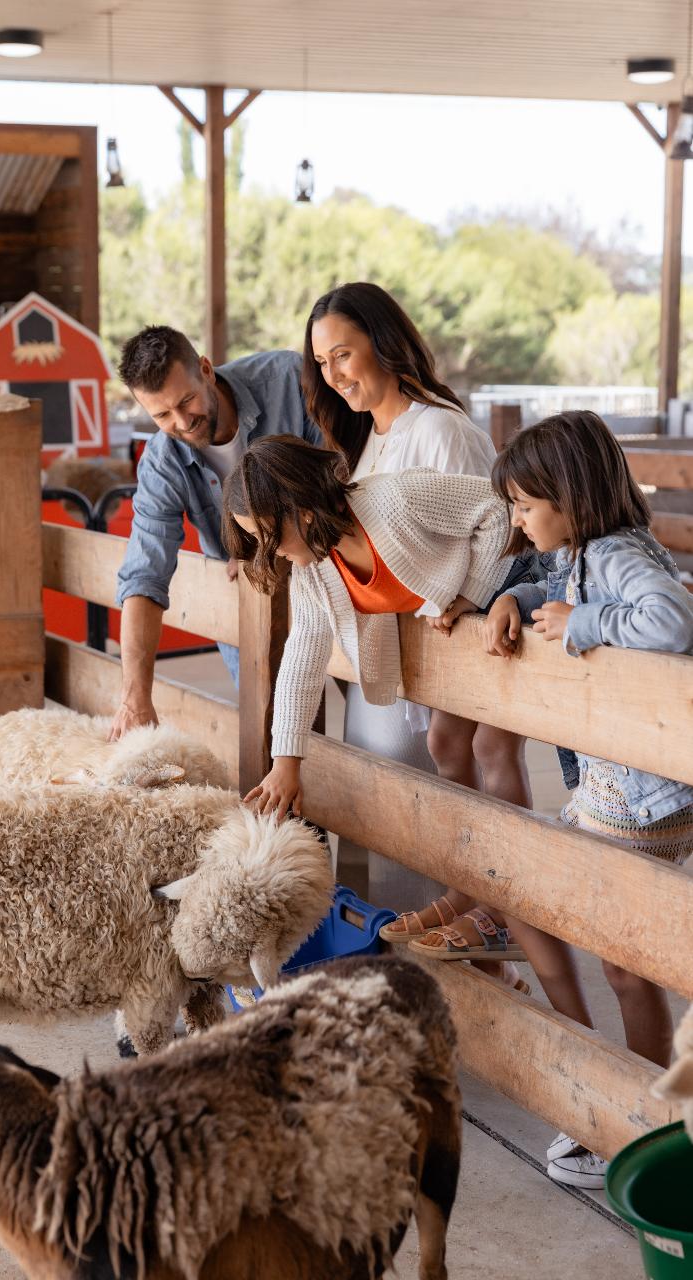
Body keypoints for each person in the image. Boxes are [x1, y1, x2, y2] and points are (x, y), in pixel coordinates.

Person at [479, 409, 693, 1188]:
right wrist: (521, 597)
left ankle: (636, 1123)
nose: (517, 519)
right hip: (611, 787)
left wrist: (582, 622)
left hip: (642, 797)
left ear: (570, 499)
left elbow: (671, 618)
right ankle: (608, 1093)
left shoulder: (620, 551)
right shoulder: (583, 553)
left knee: (629, 966)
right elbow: (562, 585)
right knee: (531, 897)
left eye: (526, 506)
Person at [302, 282, 533, 949]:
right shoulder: (361, 443)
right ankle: (439, 975)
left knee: (438, 819)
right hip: (390, 662)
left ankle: (490, 952)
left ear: (385, 341)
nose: (334, 374)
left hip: (445, 662)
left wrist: (468, 598)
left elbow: (495, 529)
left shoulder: (442, 430)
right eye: (322, 363)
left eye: (343, 354)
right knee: (393, 827)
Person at [109, 326, 319, 741]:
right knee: (275, 729)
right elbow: (144, 575)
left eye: (186, 400)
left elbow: (342, 475)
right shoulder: (161, 461)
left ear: (205, 369)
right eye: (161, 415)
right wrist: (135, 699)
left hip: (334, 566)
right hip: (247, 597)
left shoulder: (289, 380)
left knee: (365, 728)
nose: (183, 422)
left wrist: (265, 546)